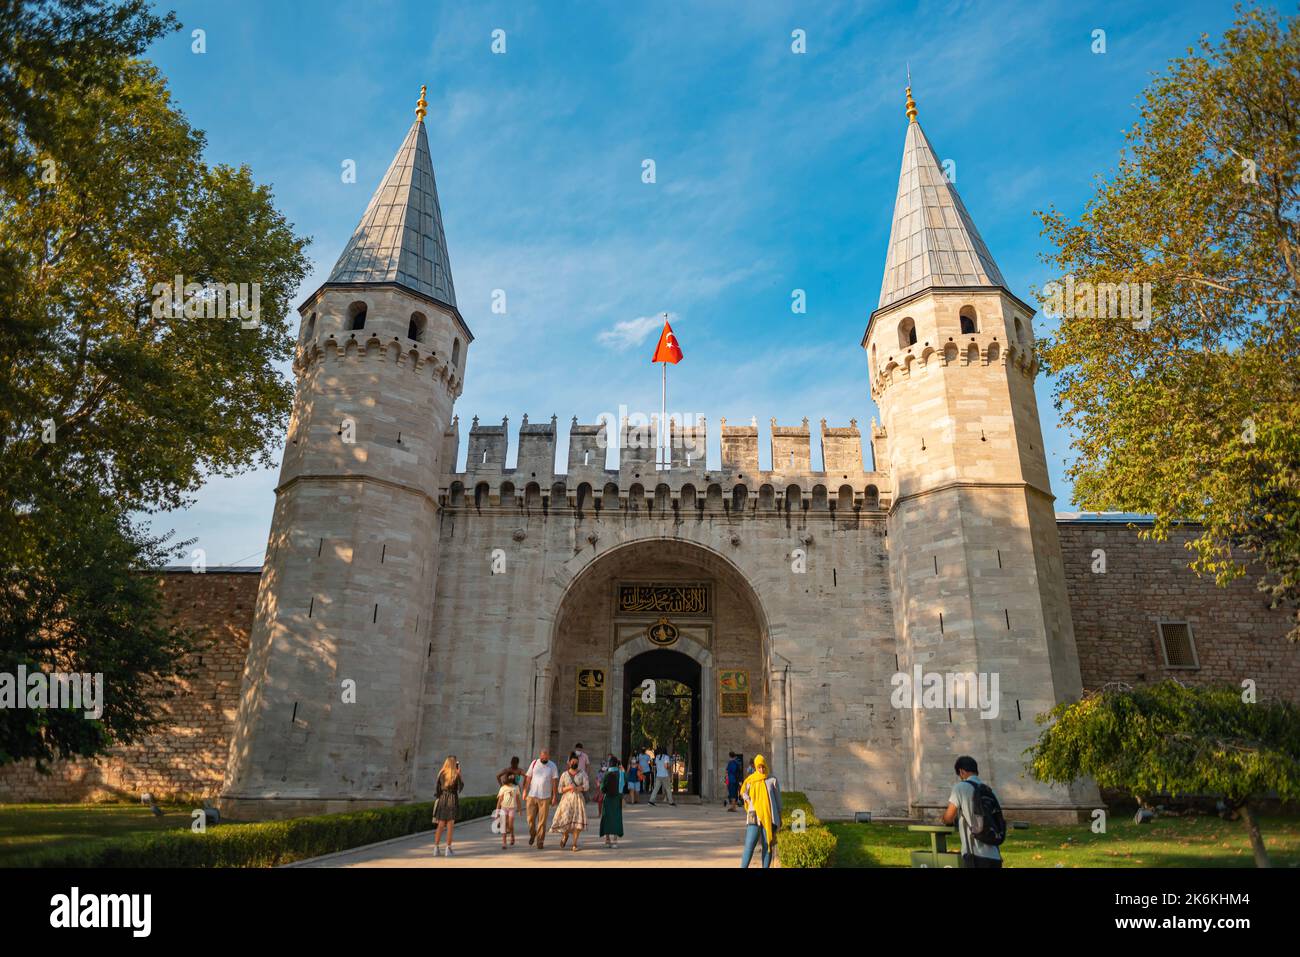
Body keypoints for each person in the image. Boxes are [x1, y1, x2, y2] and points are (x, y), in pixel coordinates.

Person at [941, 755, 1004, 869]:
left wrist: (943, 819)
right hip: (995, 854)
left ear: (961, 771)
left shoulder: (960, 787)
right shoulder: (989, 790)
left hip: (974, 853)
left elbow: (949, 817)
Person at [739, 754, 781, 868]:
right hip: (755, 816)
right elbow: (743, 792)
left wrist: (780, 818)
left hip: (769, 817)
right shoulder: (751, 780)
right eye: (759, 767)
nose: (761, 769)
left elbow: (778, 800)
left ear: (765, 766)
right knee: (749, 846)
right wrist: (750, 801)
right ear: (756, 767)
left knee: (767, 846)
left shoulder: (772, 780)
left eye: (763, 767)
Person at [549, 754, 589, 851]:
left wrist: (578, 788)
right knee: (565, 820)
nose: (574, 763)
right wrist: (568, 787)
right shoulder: (564, 774)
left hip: (578, 800)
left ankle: (574, 844)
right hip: (566, 801)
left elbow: (586, 786)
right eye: (572, 761)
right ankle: (565, 835)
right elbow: (559, 789)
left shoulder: (582, 773)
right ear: (569, 762)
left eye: (576, 762)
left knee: (577, 824)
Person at [524, 747, 559, 849]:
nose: (545, 759)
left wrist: (554, 796)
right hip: (532, 795)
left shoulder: (552, 766)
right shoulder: (534, 763)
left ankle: (540, 841)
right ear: (540, 756)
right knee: (530, 819)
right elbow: (528, 777)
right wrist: (525, 791)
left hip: (545, 797)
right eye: (543, 757)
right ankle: (532, 833)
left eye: (547, 757)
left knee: (542, 821)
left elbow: (554, 782)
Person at [432, 755, 463, 857]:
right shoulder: (455, 774)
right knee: (450, 826)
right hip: (452, 800)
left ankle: (436, 848)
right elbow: (460, 788)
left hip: (442, 799)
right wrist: (459, 774)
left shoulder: (441, 773)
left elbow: (437, 790)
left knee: (440, 825)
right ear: (455, 764)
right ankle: (448, 849)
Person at [600, 757, 625, 847]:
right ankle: (615, 840)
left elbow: (602, 788)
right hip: (617, 799)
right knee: (616, 818)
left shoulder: (606, 774)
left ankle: (607, 840)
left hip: (608, 799)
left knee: (606, 817)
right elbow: (622, 787)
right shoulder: (620, 773)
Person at [495, 772, 522, 848]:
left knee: (510, 825)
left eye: (512, 776)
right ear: (506, 778)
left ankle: (512, 836)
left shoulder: (515, 787)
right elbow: (500, 800)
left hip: (512, 809)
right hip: (504, 808)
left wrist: (519, 810)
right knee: (503, 825)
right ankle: (504, 842)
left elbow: (518, 799)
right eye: (509, 776)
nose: (511, 777)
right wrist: (497, 811)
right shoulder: (503, 788)